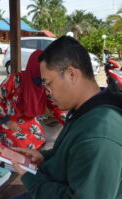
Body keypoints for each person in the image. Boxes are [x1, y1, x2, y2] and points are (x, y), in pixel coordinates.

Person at [11, 36, 122, 199]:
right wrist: (44, 157)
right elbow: (73, 153)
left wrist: (31, 178)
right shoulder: (90, 106)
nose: (46, 91)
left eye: (48, 83)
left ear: (71, 74)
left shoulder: (98, 136)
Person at [0, 50, 66, 150]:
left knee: (39, 139)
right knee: (21, 144)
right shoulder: (14, 79)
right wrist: (8, 121)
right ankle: (1, 133)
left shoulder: (43, 84)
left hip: (27, 119)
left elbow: (54, 106)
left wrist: (68, 122)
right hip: (8, 119)